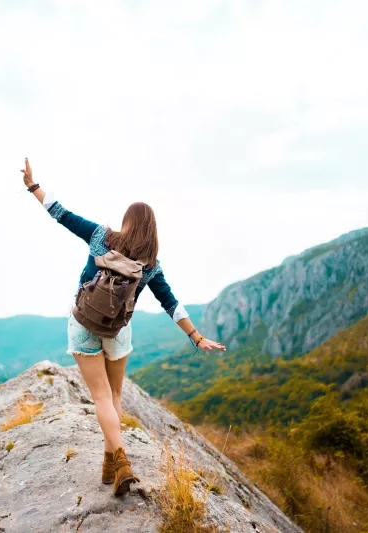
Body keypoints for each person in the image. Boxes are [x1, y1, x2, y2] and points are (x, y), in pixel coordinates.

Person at [20, 157, 226, 496]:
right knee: (114, 396)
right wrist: (196, 336)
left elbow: (61, 213)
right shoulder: (151, 265)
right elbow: (171, 304)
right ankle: (110, 464)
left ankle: (122, 463)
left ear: (127, 222)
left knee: (100, 397)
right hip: (118, 332)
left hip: (84, 323)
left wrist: (33, 186)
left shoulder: (102, 236)